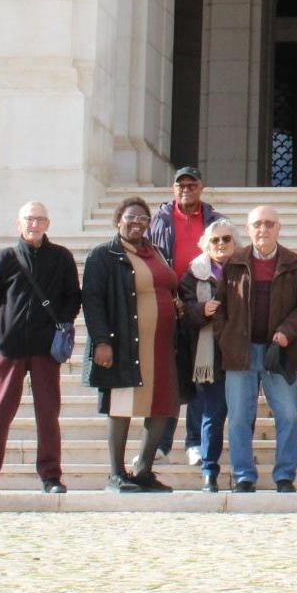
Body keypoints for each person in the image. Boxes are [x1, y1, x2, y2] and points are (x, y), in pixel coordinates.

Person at [0, 201, 81, 495]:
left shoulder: (61, 257)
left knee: (48, 413)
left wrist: (62, 324)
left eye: (40, 219)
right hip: (10, 347)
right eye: (29, 219)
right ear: (19, 223)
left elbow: (72, 297)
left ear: (47, 224)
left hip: (44, 348)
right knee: (0, 412)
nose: (34, 224)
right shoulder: (5, 259)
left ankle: (51, 476)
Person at [213, 205, 297, 492]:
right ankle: (244, 476)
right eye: (258, 224)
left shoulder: (294, 263)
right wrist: (226, 337)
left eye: (270, 224)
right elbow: (219, 306)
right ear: (248, 230)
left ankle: (284, 475)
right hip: (240, 353)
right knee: (238, 418)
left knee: (287, 415)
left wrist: (287, 331)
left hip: (280, 353)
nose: (263, 230)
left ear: (279, 228)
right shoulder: (234, 262)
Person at [81, 196, 182, 492]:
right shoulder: (103, 255)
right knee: (122, 403)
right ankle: (116, 473)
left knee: (162, 405)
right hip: (125, 342)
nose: (137, 223)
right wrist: (101, 341)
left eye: (143, 219)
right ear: (118, 221)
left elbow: (170, 287)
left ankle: (143, 470)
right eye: (130, 218)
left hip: (163, 344)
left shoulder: (159, 253)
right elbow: (93, 301)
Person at [147, 166, 224, 466]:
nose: (186, 190)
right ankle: (162, 441)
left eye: (191, 185)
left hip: (201, 303)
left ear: (201, 187)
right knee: (169, 374)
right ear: (173, 189)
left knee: (200, 373)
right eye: (181, 186)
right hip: (169, 304)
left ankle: (194, 440)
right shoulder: (160, 220)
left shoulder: (215, 221)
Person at [177, 218, 237, 492]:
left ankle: (242, 472)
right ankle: (209, 472)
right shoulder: (194, 273)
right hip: (209, 355)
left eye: (226, 239)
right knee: (212, 415)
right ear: (206, 245)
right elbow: (184, 311)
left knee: (241, 415)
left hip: (242, 353)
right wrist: (202, 310)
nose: (221, 244)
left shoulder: (245, 268)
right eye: (215, 240)